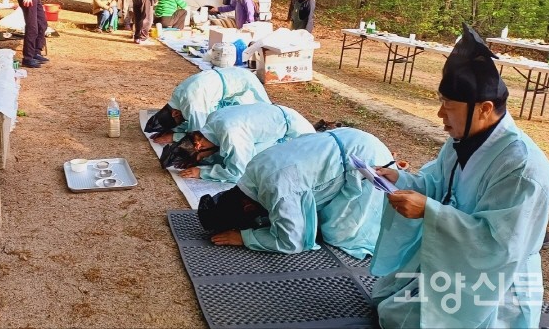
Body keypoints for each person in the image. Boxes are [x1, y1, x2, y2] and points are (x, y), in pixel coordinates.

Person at [369, 24, 549, 328]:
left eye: (448, 107)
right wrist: (398, 180)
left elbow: (498, 245)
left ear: (484, 109)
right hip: (454, 257)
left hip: (493, 281)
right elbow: (436, 185)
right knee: (389, 307)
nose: (441, 115)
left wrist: (429, 211)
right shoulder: (461, 141)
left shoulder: (522, 168)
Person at [199, 127, 392, 259]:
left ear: (247, 206)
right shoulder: (253, 170)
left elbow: (292, 242)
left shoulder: (277, 190)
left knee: (339, 235)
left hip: (366, 158)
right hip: (349, 137)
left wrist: (244, 238)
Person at [160, 103, 316, 183]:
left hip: (294, 130)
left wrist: (203, 172)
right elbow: (220, 152)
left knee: (260, 165)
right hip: (274, 118)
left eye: (201, 157)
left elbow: (238, 172)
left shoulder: (231, 135)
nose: (203, 159)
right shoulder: (212, 121)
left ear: (199, 145)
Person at [145, 67, 270, 144]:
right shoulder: (177, 97)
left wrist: (174, 137)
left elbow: (201, 133)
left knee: (259, 116)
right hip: (234, 75)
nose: (182, 121)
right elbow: (189, 121)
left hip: (244, 85)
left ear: (175, 113)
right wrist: (171, 130)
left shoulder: (192, 104)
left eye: (178, 120)